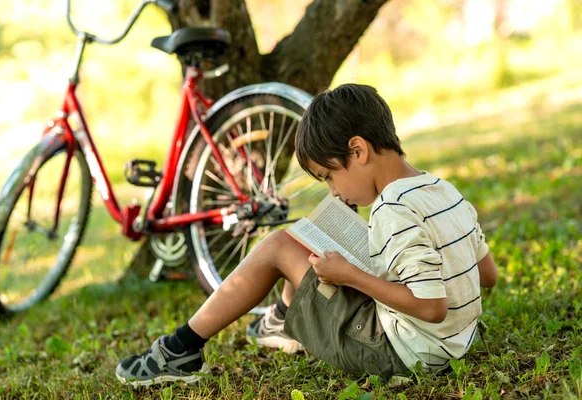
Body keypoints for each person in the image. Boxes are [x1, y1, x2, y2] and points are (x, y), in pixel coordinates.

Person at [115, 83, 499, 387]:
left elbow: (431, 307)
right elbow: (487, 276)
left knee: (278, 245)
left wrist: (352, 277)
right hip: (459, 342)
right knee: (311, 237)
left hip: (403, 353)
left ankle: (179, 349)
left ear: (358, 150)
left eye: (330, 176)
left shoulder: (392, 209)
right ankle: (280, 319)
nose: (333, 190)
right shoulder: (441, 190)